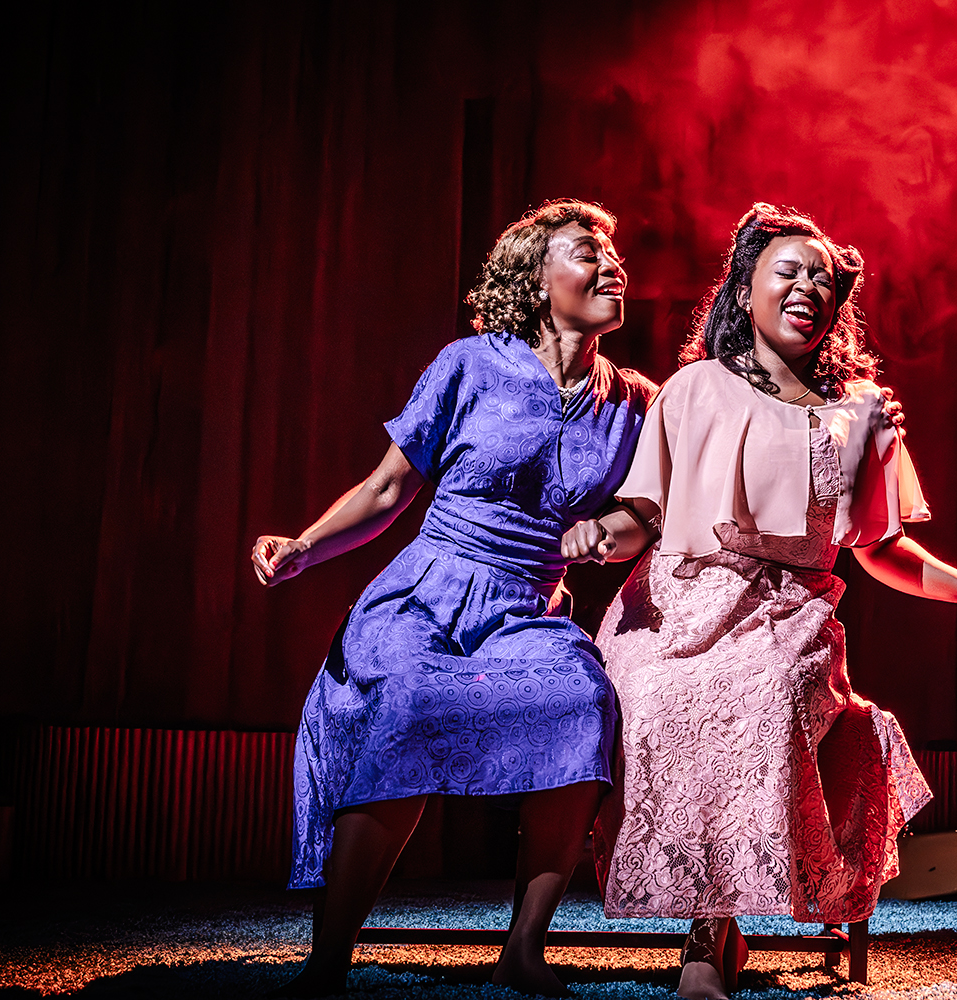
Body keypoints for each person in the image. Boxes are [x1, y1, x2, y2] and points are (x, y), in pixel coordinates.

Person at [561, 203, 957, 999]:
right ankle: (716, 929)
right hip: (674, 601)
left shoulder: (862, 410)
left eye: (824, 279)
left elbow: (880, 547)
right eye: (788, 271)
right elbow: (645, 515)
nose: (807, 287)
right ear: (744, 289)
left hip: (784, 611)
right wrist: (599, 534)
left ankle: (707, 938)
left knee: (763, 694)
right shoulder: (693, 388)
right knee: (654, 692)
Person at [250, 199, 656, 998]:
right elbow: (388, 487)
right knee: (402, 700)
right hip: (427, 593)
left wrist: (614, 525)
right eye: (588, 254)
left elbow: (649, 511)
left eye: (614, 257)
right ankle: (330, 955)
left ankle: (523, 950)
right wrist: (303, 545)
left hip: (527, 607)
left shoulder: (637, 401)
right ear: (538, 280)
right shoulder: (470, 364)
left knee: (582, 700)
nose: (613, 268)